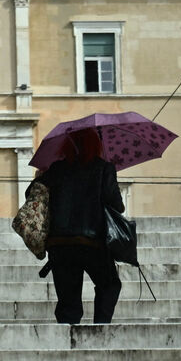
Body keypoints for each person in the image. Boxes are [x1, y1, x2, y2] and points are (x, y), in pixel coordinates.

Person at [37, 127, 124, 324]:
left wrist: (41, 175)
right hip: (93, 243)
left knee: (68, 302)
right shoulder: (104, 168)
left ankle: (69, 340)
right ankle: (101, 327)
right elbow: (117, 206)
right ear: (96, 145)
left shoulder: (56, 169)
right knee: (109, 285)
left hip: (60, 244)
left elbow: (32, 196)